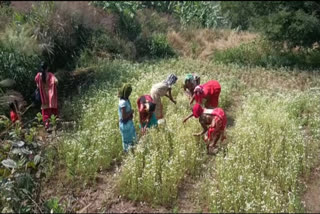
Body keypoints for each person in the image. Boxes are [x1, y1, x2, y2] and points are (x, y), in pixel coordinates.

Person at [35, 62, 58, 129]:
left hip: (43, 96)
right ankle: (54, 123)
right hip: (50, 95)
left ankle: (46, 124)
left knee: (45, 110)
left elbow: (37, 84)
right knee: (52, 108)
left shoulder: (38, 75)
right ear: (47, 68)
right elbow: (56, 81)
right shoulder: (50, 75)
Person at [118, 83, 136, 152]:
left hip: (128, 123)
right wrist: (131, 112)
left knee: (132, 140)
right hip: (125, 125)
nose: (130, 94)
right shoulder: (123, 103)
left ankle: (133, 153)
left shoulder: (125, 99)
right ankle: (129, 154)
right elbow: (124, 116)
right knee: (127, 142)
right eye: (129, 93)